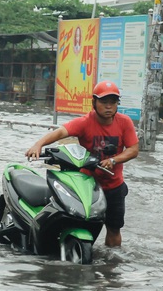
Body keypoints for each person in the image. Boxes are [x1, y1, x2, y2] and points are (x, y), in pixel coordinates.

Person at [25, 80, 139, 247]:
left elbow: (133, 149)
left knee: (114, 229)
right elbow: (61, 132)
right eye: (104, 102)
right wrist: (38, 144)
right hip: (87, 185)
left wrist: (114, 160)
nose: (109, 106)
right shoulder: (85, 122)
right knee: (79, 222)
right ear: (94, 102)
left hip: (114, 186)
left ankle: (111, 265)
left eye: (113, 102)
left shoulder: (124, 122)